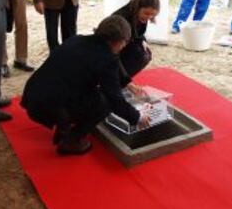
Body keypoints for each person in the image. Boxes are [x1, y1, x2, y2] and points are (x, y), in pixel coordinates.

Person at [21, 15, 150, 155]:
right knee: (104, 102)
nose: (125, 46)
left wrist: (127, 83)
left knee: (84, 90)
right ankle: (71, 141)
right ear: (118, 41)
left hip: (33, 95)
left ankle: (63, 126)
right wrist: (137, 117)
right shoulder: (106, 60)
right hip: (48, 106)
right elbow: (115, 100)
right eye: (125, 41)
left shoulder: (77, 39)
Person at [112, 0, 160, 78]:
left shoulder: (139, 15)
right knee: (139, 55)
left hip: (124, 44)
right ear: (137, 7)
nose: (149, 17)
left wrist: (143, 41)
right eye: (146, 13)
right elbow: (113, 52)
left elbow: (138, 33)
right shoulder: (121, 20)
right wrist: (126, 81)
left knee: (145, 54)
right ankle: (118, 80)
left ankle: (122, 80)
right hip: (110, 50)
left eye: (152, 15)